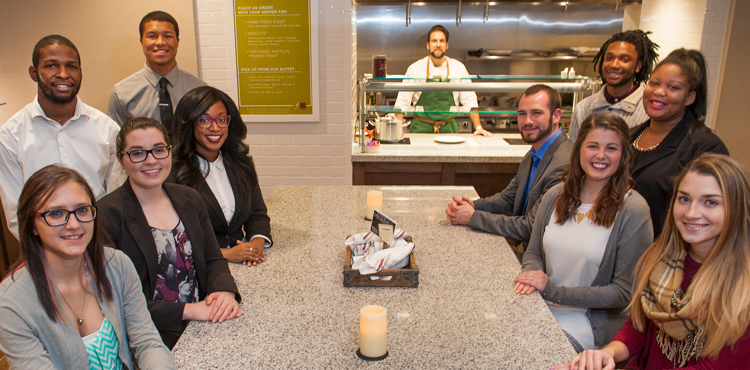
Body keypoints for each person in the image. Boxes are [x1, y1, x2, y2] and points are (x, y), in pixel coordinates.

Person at [556, 154, 750, 369]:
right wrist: (608, 353)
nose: (692, 213)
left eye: (710, 202)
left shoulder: (743, 290)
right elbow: (638, 329)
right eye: (684, 199)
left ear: (737, 209)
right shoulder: (658, 260)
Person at [0, 165, 175, 369]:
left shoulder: (117, 265)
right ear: (31, 225)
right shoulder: (10, 304)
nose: (73, 224)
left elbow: (148, 343)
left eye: (82, 210)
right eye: (56, 213)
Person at [514, 113, 653, 353]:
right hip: (540, 306)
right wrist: (530, 276)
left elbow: (623, 292)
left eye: (611, 148)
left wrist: (552, 291)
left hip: (587, 325)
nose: (600, 156)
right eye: (593, 146)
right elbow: (533, 252)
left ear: (623, 156)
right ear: (579, 150)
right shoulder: (556, 195)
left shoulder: (633, 211)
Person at [98, 117, 241, 349]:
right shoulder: (106, 215)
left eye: (158, 150)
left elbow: (213, 259)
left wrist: (224, 291)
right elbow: (115, 300)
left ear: (170, 152)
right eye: (137, 153)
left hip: (201, 326)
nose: (151, 160)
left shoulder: (190, 199)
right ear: (121, 159)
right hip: (149, 338)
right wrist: (188, 310)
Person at [0, 35, 121, 240]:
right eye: (51, 66)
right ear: (34, 73)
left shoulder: (107, 130)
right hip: (44, 252)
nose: (63, 74)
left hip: (102, 243)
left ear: (81, 72)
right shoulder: (10, 136)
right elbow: (16, 214)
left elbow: (116, 198)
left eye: (71, 67)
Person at [446, 84, 574, 257]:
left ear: (557, 115)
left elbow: (531, 227)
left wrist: (472, 217)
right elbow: (508, 198)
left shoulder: (564, 164)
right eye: (522, 114)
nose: (528, 121)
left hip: (542, 263)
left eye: (536, 113)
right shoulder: (536, 153)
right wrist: (469, 206)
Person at [630, 48, 728, 237]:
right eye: (654, 83)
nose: (659, 92)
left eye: (673, 87)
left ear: (689, 97)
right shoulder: (627, 136)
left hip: (669, 255)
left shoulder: (705, 146)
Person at [172, 86, 272, 266]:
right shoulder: (173, 173)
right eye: (204, 120)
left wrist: (255, 246)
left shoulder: (241, 164)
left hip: (243, 263)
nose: (215, 128)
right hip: (198, 269)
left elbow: (257, 215)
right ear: (190, 124)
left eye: (221, 119)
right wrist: (225, 254)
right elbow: (171, 236)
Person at [107, 10, 206, 134]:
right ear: (142, 42)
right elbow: (116, 143)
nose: (160, 42)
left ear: (178, 41)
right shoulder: (121, 94)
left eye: (168, 36)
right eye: (152, 36)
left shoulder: (199, 89)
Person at [393, 25, 491, 136]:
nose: (438, 44)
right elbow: (402, 103)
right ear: (428, 45)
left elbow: (470, 101)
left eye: (442, 41)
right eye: (434, 41)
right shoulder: (414, 69)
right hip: (420, 130)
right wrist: (397, 131)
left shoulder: (458, 68)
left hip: (449, 131)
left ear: (447, 45)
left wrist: (478, 127)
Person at [569, 30, 659, 142]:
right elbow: (574, 156)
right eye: (609, 58)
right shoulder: (583, 109)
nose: (614, 65)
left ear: (638, 66)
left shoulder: (649, 111)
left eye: (624, 59)